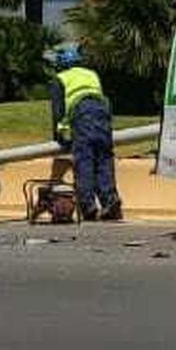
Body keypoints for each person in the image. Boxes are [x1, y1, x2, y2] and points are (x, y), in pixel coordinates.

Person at [49, 45, 121, 221]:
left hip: (82, 114)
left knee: (84, 159)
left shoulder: (60, 79)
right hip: (102, 112)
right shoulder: (92, 74)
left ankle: (88, 206)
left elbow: (58, 111)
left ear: (61, 63)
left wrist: (59, 135)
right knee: (104, 157)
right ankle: (110, 200)